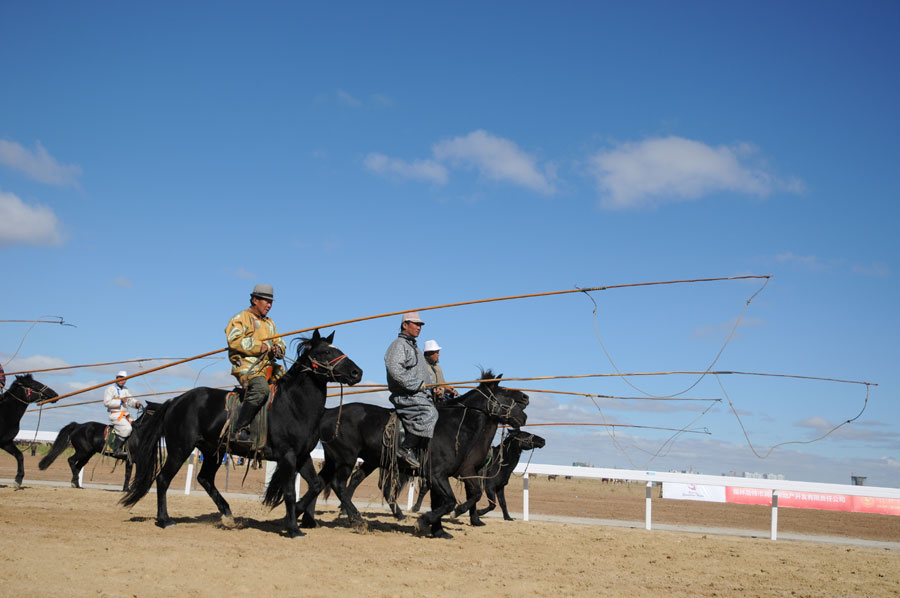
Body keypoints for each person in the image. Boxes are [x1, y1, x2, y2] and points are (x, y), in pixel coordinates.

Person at [225, 283, 287, 442]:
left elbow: (280, 342)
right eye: (266, 301)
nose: (269, 305)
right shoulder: (240, 318)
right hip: (248, 366)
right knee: (261, 390)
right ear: (254, 300)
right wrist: (260, 347)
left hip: (269, 368)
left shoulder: (270, 323)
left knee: (291, 385)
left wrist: (278, 350)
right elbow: (234, 341)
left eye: (271, 302)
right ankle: (239, 429)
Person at [384, 312, 437, 469]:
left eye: (420, 325)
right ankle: (406, 448)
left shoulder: (413, 346)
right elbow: (394, 370)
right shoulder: (398, 345)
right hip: (406, 395)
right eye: (416, 324)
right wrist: (415, 384)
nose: (419, 328)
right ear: (405, 325)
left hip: (419, 394)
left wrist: (433, 389)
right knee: (430, 413)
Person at [103, 371, 142, 456]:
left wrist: (136, 403)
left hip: (126, 415)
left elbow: (130, 400)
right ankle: (117, 449)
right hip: (115, 415)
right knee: (127, 428)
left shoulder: (125, 389)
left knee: (138, 426)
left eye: (124, 379)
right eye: (120, 378)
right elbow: (106, 403)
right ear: (116, 378)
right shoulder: (110, 389)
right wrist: (120, 401)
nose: (122, 380)